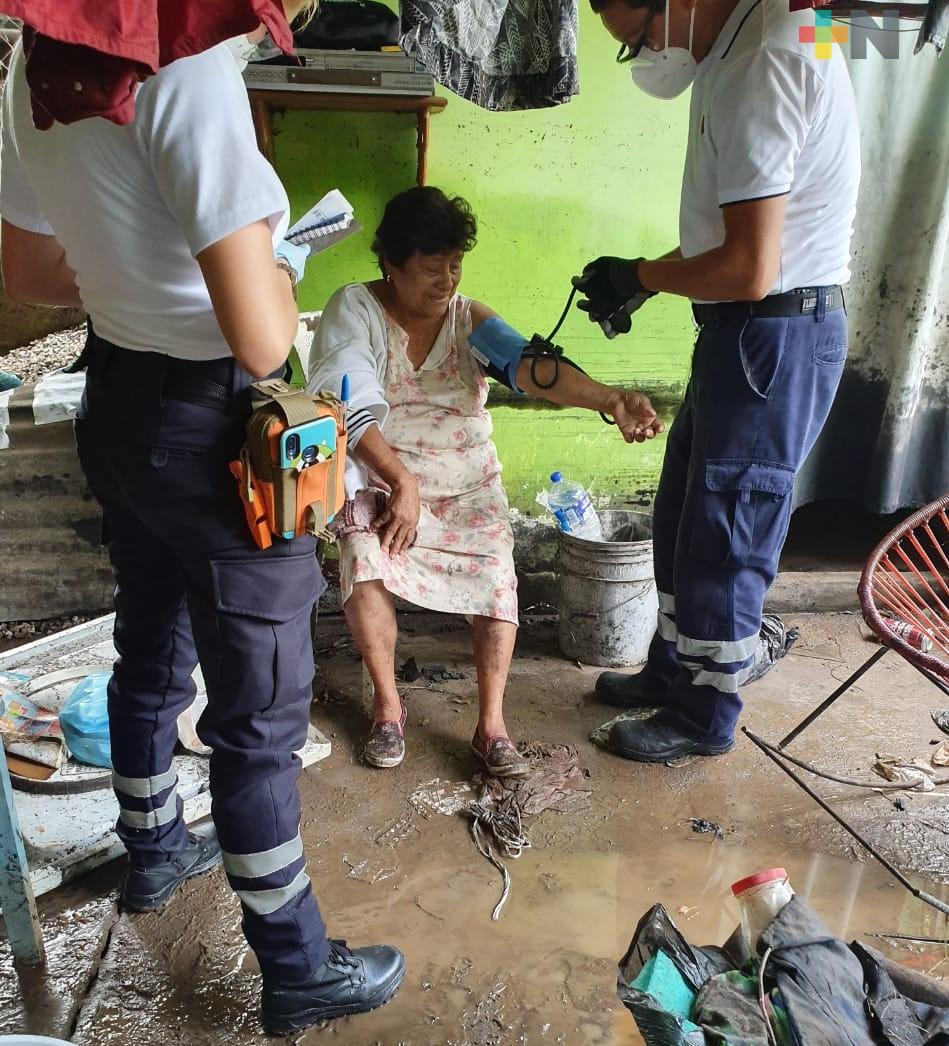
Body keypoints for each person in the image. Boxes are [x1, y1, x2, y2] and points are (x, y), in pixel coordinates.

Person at [0, 4, 403, 1035]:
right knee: (258, 713)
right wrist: (274, 263)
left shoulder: (31, 69)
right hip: (217, 428)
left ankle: (153, 850)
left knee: (151, 642)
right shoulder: (187, 74)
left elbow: (29, 271)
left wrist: (134, 271)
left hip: (119, 402)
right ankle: (296, 964)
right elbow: (263, 341)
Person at [578, 0, 860, 761]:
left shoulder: (762, 61)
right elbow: (743, 231)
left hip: (772, 332)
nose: (642, 57)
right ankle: (673, 669)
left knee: (726, 532)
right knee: (682, 513)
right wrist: (644, 277)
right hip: (746, 329)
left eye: (637, 38)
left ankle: (704, 716)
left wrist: (640, 275)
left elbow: (749, 267)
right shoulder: (759, 35)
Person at [308, 186, 662, 775]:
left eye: (455, 265)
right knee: (364, 560)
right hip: (381, 472)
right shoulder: (355, 309)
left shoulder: (468, 318)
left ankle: (491, 725)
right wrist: (401, 482)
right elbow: (346, 406)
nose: (446, 281)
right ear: (391, 263)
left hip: (466, 479)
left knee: (498, 576)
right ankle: (388, 708)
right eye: (431, 268)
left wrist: (610, 399)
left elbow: (532, 367)